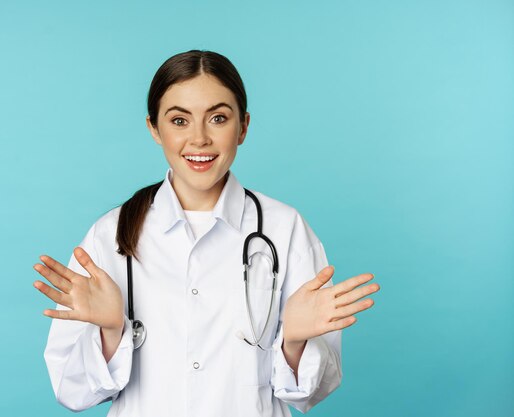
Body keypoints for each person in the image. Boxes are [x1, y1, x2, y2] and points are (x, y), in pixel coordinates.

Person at [33, 50, 380, 416]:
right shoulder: (110, 236)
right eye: (179, 120)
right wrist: (109, 332)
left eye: (217, 118)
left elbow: (312, 393)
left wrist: (294, 342)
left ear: (243, 126)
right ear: (154, 128)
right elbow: (72, 392)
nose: (199, 139)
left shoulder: (285, 229)